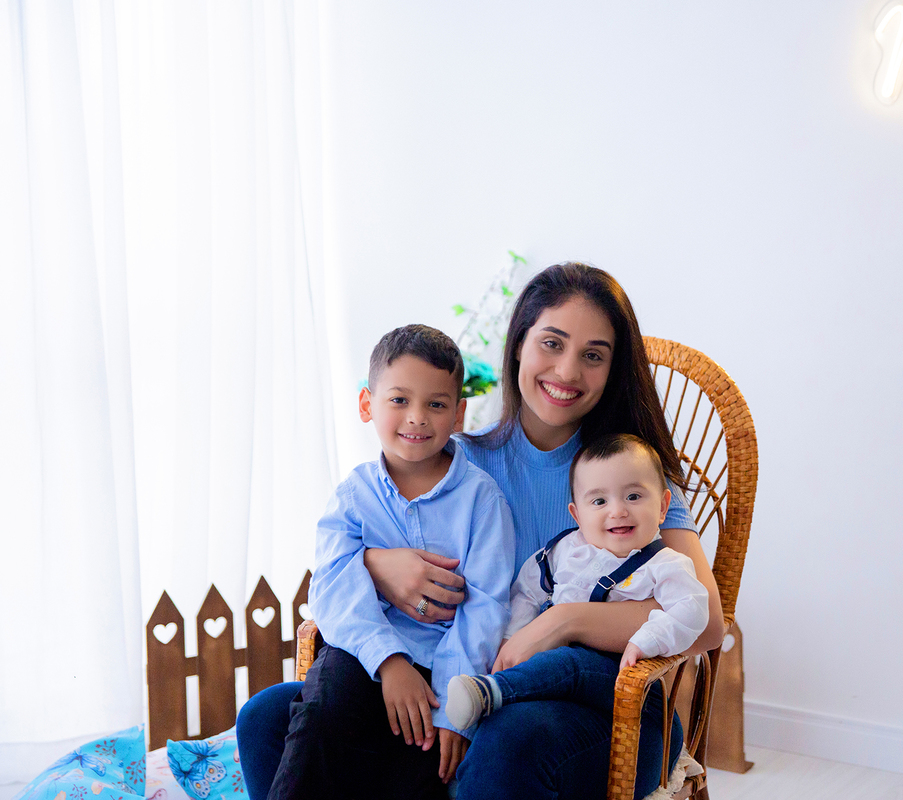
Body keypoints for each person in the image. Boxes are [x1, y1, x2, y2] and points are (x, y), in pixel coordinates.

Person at [236, 263, 725, 800]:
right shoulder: (458, 466)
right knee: (266, 718)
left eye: (593, 355)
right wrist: (376, 564)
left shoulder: (631, 477)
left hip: (612, 708)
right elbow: (355, 541)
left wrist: (562, 622)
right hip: (472, 688)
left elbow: (705, 625)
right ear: (518, 346)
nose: (566, 371)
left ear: (613, 369)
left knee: (508, 740)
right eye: (551, 343)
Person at [267, 325, 515, 800]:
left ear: (459, 413)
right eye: (399, 400)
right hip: (361, 657)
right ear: (367, 404)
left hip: (442, 677)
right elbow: (332, 585)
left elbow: (485, 608)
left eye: (436, 404)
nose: (417, 418)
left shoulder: (482, 499)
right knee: (319, 719)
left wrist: (452, 711)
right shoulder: (354, 496)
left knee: (420, 773)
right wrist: (389, 661)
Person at [444, 433, 708, 731]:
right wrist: (513, 637)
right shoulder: (565, 550)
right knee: (548, 672)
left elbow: (692, 609)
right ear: (577, 514)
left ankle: (493, 691)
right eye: (599, 501)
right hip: (555, 676)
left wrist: (646, 640)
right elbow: (528, 590)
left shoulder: (665, 564)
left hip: (615, 677)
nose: (618, 511)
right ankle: (500, 697)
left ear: (662, 507)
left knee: (568, 664)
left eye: (633, 496)